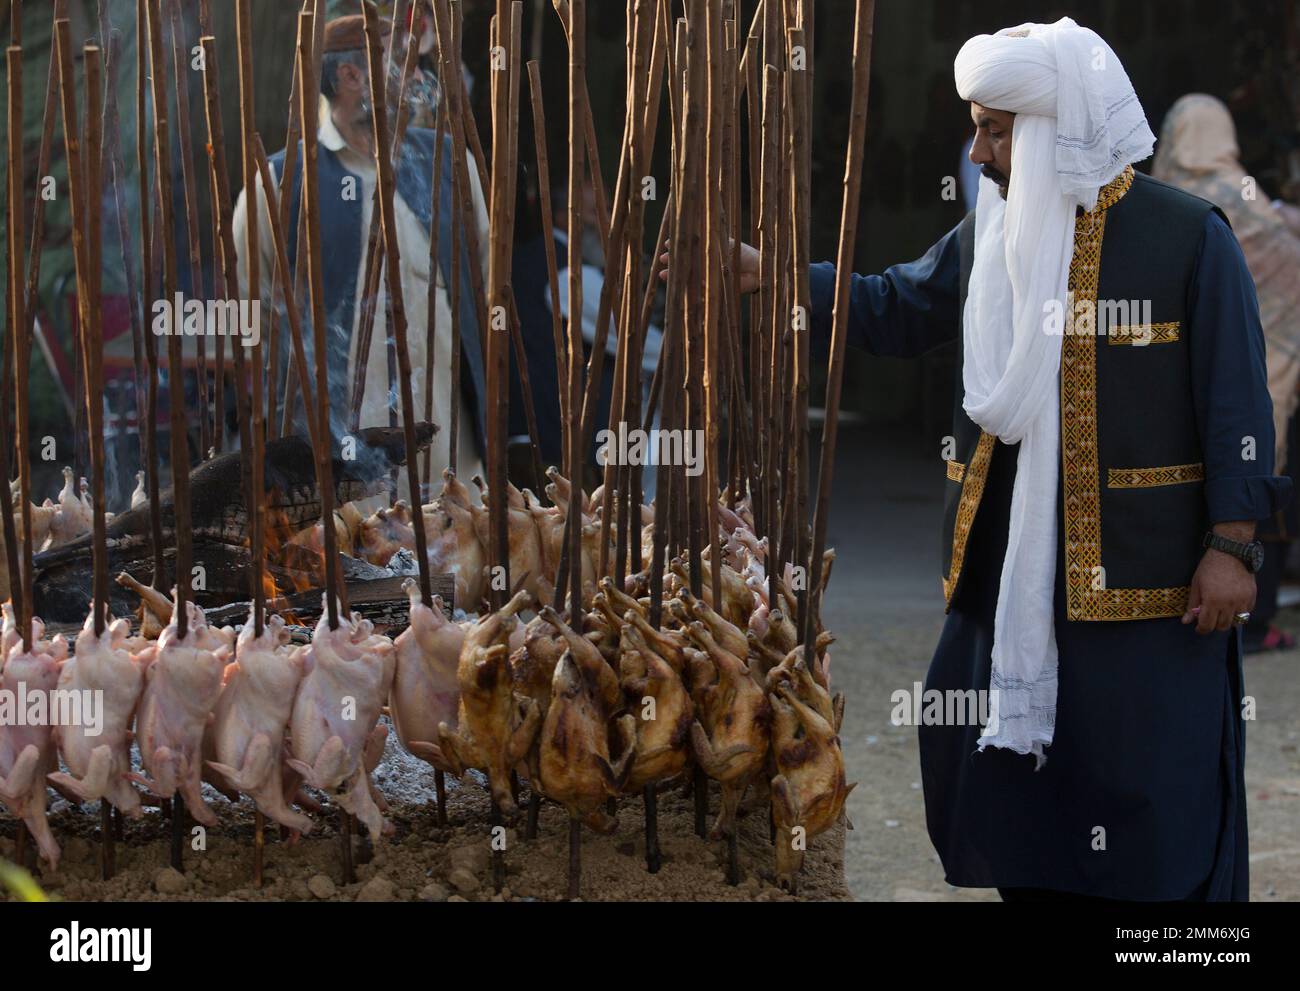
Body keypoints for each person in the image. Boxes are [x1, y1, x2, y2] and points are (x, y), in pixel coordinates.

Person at [701, 18, 1291, 901]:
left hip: (1150, 589)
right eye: (977, 127)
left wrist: (1234, 546)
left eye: (996, 129)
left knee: (1152, 804)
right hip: (1012, 577)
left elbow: (1238, 400)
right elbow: (894, 306)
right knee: (1020, 791)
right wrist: (773, 275)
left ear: (1054, 125)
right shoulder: (995, 237)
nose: (978, 153)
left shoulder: (1187, 239)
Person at [232, 12, 489, 495]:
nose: (420, 79)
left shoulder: (452, 164)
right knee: (356, 568)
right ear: (352, 76)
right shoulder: (279, 185)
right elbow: (259, 320)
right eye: (406, 64)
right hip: (344, 468)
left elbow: (487, 285)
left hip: (452, 457)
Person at [1153, 94, 1300, 653]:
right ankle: (1246, 618)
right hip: (1265, 356)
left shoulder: (1162, 196)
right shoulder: (1242, 192)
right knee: (1250, 466)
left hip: (1179, 359)